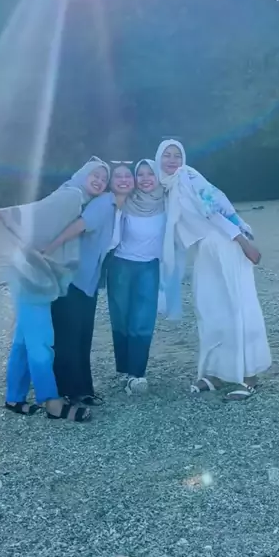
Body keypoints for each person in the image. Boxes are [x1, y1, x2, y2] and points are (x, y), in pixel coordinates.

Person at [0, 158, 110, 422]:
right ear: (83, 175)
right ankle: (51, 401)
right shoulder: (73, 197)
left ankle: (14, 398)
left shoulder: (76, 196)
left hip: (29, 272)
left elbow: (40, 212)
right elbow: (36, 214)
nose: (99, 181)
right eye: (94, 175)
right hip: (33, 276)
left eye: (104, 178)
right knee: (41, 340)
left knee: (23, 339)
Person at [155, 140, 271, 401]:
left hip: (226, 242)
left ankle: (249, 376)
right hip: (204, 251)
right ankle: (217, 372)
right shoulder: (165, 187)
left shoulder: (188, 178)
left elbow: (214, 211)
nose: (172, 160)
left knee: (238, 306)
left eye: (177, 155)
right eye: (167, 155)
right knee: (210, 309)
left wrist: (244, 243)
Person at [49, 163, 135, 405]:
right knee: (68, 336)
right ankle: (67, 392)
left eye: (127, 175)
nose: (123, 179)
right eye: (117, 176)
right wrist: (49, 248)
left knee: (83, 336)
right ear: (111, 184)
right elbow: (78, 226)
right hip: (71, 277)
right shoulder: (105, 203)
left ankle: (84, 389)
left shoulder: (122, 209)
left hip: (88, 281)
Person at [107, 160, 165, 395]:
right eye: (140, 174)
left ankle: (137, 373)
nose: (145, 178)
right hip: (121, 266)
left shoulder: (168, 201)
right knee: (121, 318)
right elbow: (110, 237)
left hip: (149, 267)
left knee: (143, 319)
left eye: (150, 173)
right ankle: (124, 368)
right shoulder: (125, 201)